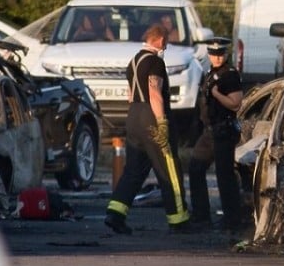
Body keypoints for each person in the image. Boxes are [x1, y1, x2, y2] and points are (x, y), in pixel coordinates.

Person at [104, 24, 191, 234]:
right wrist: (161, 122)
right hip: (150, 117)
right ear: (161, 40)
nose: (166, 46)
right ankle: (179, 219)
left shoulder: (133, 61)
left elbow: (130, 93)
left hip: (133, 117)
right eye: (167, 42)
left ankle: (115, 213)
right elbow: (154, 92)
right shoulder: (155, 62)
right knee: (168, 167)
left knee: (134, 170)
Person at [188, 37, 245, 232]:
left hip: (223, 130)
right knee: (195, 168)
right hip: (209, 131)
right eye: (213, 54)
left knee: (224, 176)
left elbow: (236, 103)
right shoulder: (210, 73)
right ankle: (201, 215)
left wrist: (217, 94)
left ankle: (232, 219)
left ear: (226, 54)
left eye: (220, 54)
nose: (217, 57)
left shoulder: (229, 75)